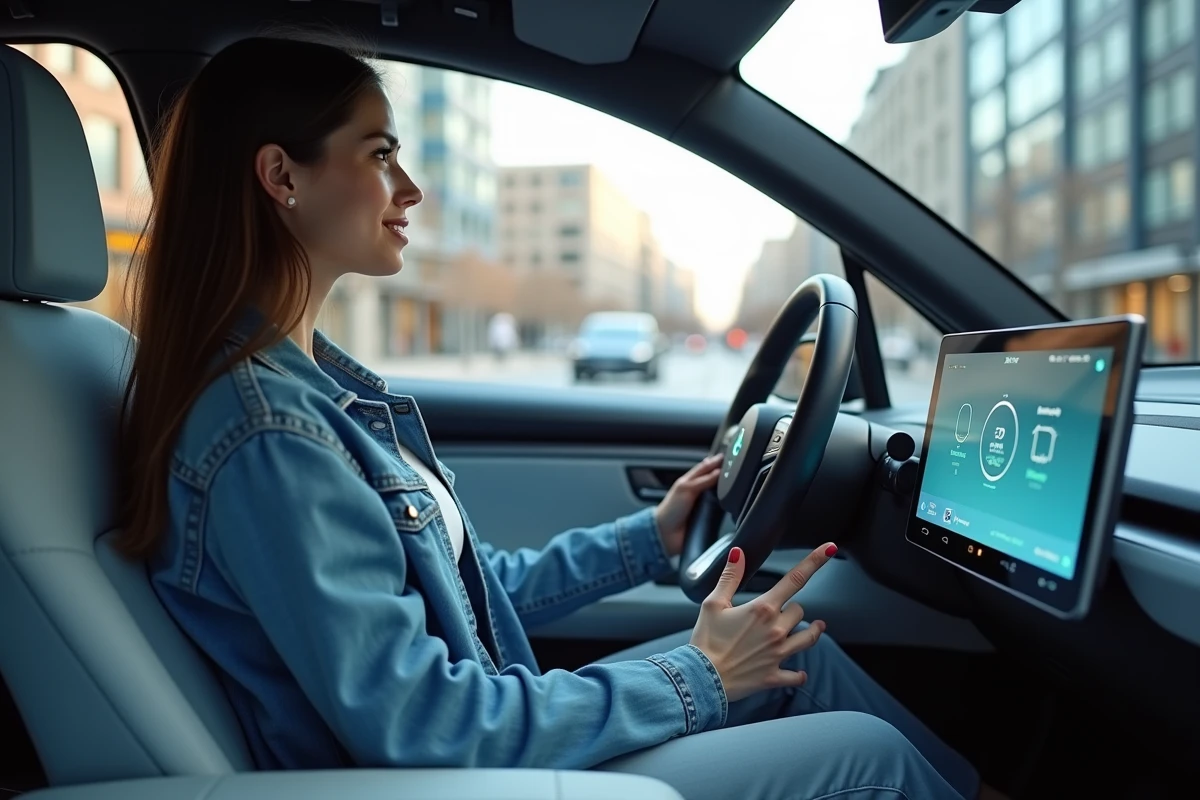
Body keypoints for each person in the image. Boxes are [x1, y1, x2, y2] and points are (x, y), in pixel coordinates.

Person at [115, 36, 995, 800]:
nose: (411, 186)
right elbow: (424, 724)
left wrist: (652, 538)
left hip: (487, 744)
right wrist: (703, 673)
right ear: (281, 176)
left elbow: (467, 588)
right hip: (457, 775)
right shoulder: (272, 433)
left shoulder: (311, 392)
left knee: (809, 662)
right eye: (380, 153)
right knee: (867, 755)